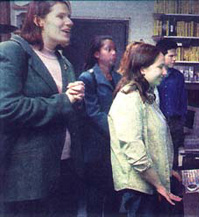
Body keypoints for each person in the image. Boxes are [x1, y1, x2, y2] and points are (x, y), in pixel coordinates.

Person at [0, 1, 85, 217]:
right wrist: (64, 100)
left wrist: (77, 100)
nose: (70, 22)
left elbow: (68, 110)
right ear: (38, 20)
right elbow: (7, 108)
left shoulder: (64, 62)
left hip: (65, 171)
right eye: (61, 16)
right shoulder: (13, 51)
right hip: (26, 179)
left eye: (69, 16)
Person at [108, 42, 182, 217]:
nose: (165, 72)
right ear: (142, 69)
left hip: (147, 182)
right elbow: (135, 151)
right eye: (160, 67)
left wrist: (166, 169)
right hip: (137, 189)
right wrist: (158, 185)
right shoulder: (129, 98)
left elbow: (152, 140)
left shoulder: (146, 96)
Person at [78, 35, 121, 217]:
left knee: (113, 194)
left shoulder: (118, 77)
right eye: (108, 49)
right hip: (96, 145)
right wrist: (117, 132)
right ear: (97, 54)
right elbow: (93, 113)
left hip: (115, 147)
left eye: (114, 49)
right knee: (95, 197)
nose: (114, 53)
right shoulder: (87, 77)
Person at [156, 39, 187, 170]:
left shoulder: (179, 76)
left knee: (173, 157)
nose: (175, 59)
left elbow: (183, 100)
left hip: (175, 123)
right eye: (171, 56)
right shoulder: (154, 75)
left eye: (176, 56)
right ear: (161, 56)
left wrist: (181, 122)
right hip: (158, 122)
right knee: (159, 157)